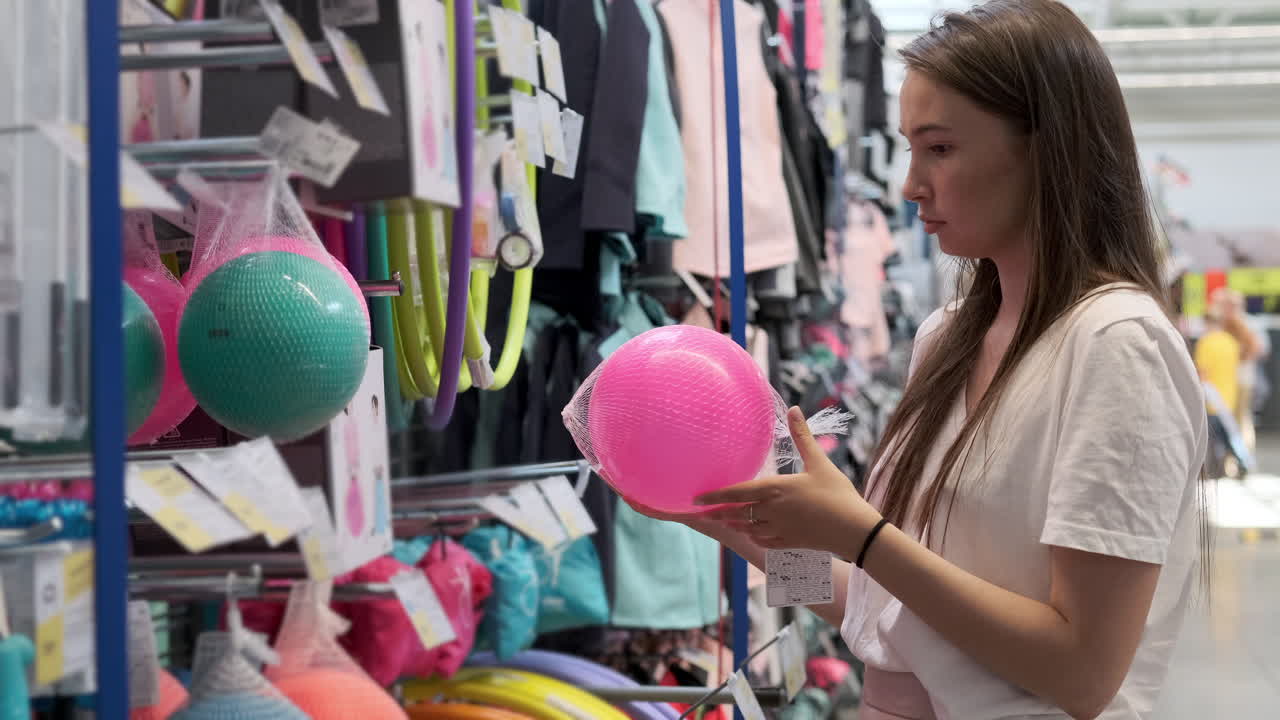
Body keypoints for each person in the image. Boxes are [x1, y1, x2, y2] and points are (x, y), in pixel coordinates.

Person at [624, 2, 1208, 718]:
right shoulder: (950, 335)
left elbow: (1082, 674)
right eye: (910, 149)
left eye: (939, 149)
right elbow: (884, 614)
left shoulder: (1117, 347)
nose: (909, 186)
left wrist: (864, 535)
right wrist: (729, 527)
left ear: (1044, 148)